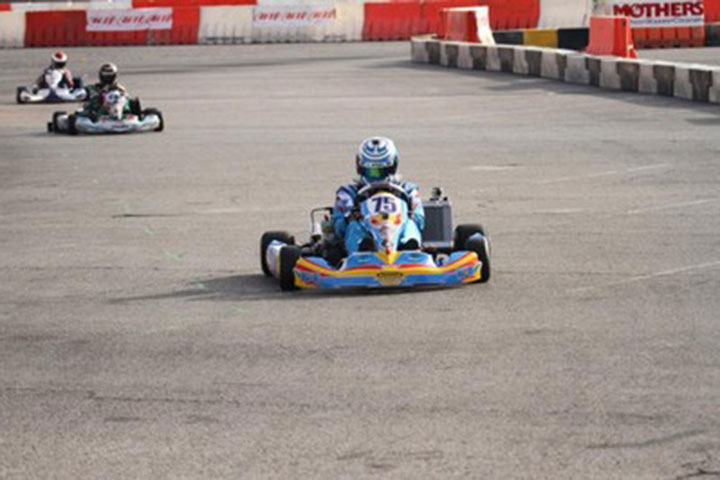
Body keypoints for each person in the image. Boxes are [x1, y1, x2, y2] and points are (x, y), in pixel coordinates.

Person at [332, 136, 425, 255]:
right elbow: (340, 227)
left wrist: (407, 213)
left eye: (381, 171)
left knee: (410, 224)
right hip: (366, 233)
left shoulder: (407, 190)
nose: (375, 177)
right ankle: (362, 251)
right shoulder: (349, 192)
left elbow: (419, 221)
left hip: (397, 233)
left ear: (392, 167)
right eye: (371, 171)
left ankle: (411, 249)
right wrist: (351, 216)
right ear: (360, 168)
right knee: (354, 226)